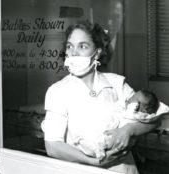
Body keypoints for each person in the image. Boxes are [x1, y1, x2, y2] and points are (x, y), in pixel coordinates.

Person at [41, 21, 161, 174]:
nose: (74, 52)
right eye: (70, 46)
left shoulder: (116, 84)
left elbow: (156, 119)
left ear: (97, 53)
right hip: (81, 170)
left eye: (82, 46)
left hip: (123, 169)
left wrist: (129, 130)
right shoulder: (58, 92)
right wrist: (92, 162)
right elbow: (52, 146)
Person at [75, 89, 168, 160]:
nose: (129, 99)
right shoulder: (130, 104)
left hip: (115, 134)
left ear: (141, 109)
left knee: (104, 138)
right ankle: (89, 143)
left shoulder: (137, 113)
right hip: (111, 127)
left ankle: (97, 148)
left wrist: (129, 129)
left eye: (133, 99)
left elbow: (155, 121)